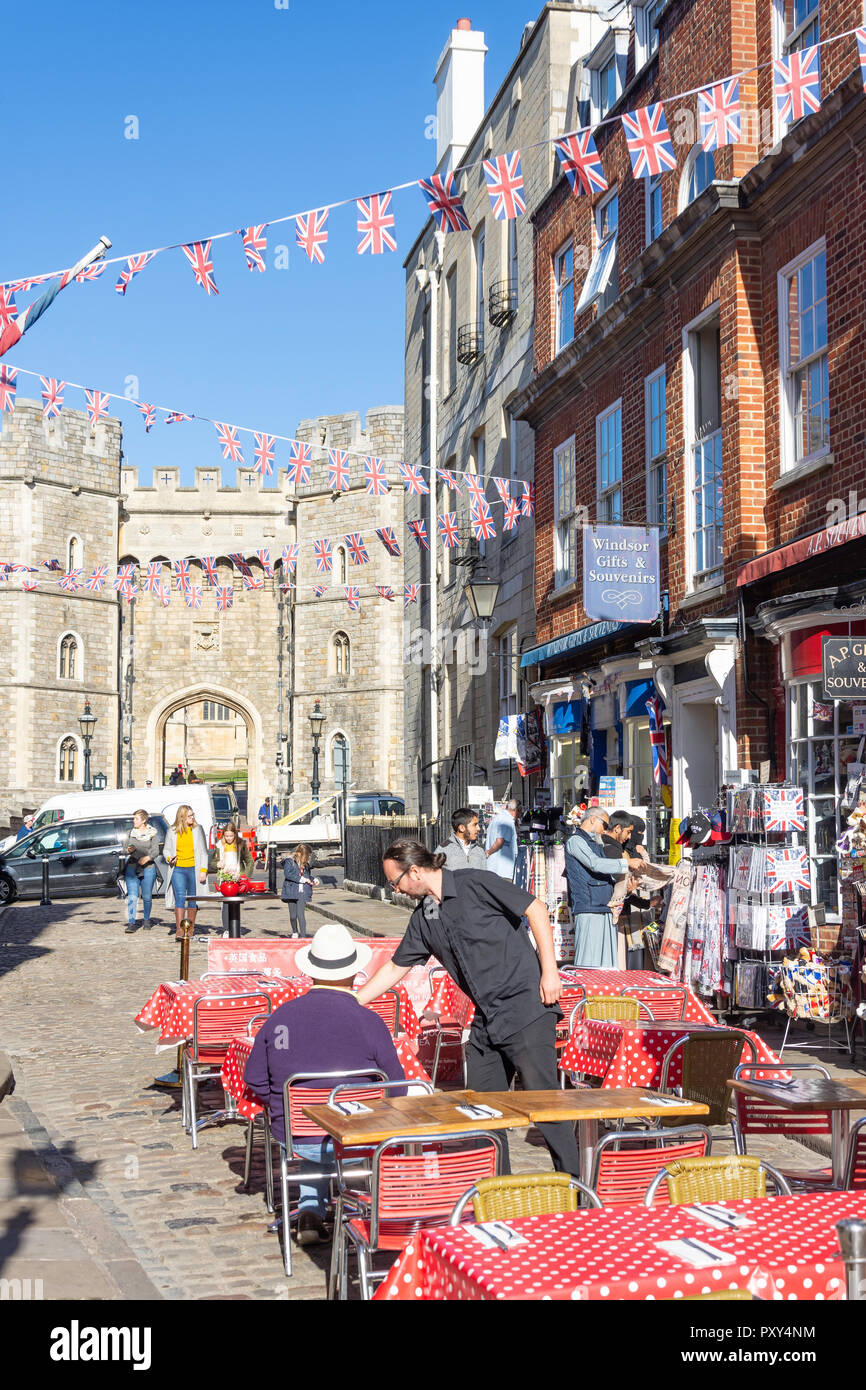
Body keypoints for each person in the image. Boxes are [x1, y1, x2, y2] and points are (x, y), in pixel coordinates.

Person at [356, 840, 583, 1180]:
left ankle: (578, 1191)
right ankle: (498, 1192)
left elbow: (534, 908)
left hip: (527, 1008)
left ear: (414, 871)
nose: (395, 889)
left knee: (545, 1108)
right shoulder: (424, 918)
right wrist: (352, 1000)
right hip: (487, 1019)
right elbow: (395, 967)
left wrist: (550, 971)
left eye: (396, 881)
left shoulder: (474, 882)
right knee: (481, 1111)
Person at [244, 923, 406, 1245]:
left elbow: (254, 1080)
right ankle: (359, 1202)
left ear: (311, 972)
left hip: (299, 1136)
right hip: (358, 1138)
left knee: (312, 1130)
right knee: (347, 1124)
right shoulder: (370, 1022)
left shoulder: (281, 1018)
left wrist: (285, 1106)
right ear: (353, 974)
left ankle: (309, 1210)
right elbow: (397, 1088)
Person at [565, 809, 644, 969]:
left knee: (606, 965)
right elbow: (595, 864)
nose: (605, 829)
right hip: (588, 908)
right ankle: (585, 993)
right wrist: (626, 863)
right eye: (605, 824)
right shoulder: (575, 841)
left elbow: (603, 870)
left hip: (603, 906)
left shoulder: (595, 842)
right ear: (593, 819)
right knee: (587, 964)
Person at [163, 805, 209, 940]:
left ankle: (190, 929)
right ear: (182, 817)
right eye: (189, 816)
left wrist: (203, 870)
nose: (192, 818)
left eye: (193, 815)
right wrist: (169, 858)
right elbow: (166, 850)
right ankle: (179, 929)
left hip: (194, 868)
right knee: (180, 898)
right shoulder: (172, 831)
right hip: (178, 869)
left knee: (193, 899)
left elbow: (203, 852)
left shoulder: (197, 829)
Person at [212, 822, 254, 933]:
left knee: (235, 904)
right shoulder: (219, 846)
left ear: (235, 835)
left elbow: (249, 861)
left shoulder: (241, 845)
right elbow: (212, 862)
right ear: (223, 835)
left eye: (231, 836)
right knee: (225, 904)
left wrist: (244, 876)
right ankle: (226, 929)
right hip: (224, 879)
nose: (229, 838)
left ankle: (234, 929)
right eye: (226, 836)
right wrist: (217, 864)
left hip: (237, 878)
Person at [123, 809, 160, 934]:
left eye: (136, 819)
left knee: (147, 896)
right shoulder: (130, 833)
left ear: (144, 820)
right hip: (132, 867)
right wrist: (129, 850)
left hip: (148, 867)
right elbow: (124, 849)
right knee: (132, 896)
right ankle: (132, 922)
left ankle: (146, 920)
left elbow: (156, 851)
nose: (134, 821)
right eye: (133, 818)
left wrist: (148, 858)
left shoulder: (153, 833)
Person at [281, 844, 319, 937]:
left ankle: (303, 936)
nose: (308, 859)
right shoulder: (289, 861)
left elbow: (307, 876)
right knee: (293, 916)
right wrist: (302, 879)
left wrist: (313, 879)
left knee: (301, 915)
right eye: (307, 856)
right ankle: (295, 931)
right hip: (291, 891)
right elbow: (288, 874)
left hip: (302, 892)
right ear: (301, 854)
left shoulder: (305, 864)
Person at [435, 807, 488, 871]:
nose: (478, 828)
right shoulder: (443, 850)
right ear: (462, 828)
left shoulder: (479, 850)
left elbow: (485, 877)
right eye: (474, 825)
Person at [484, 799, 521, 879]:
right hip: (503, 870)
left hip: (494, 868)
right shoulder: (507, 820)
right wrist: (489, 852)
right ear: (516, 810)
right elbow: (500, 841)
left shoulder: (497, 818)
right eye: (519, 812)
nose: (519, 815)